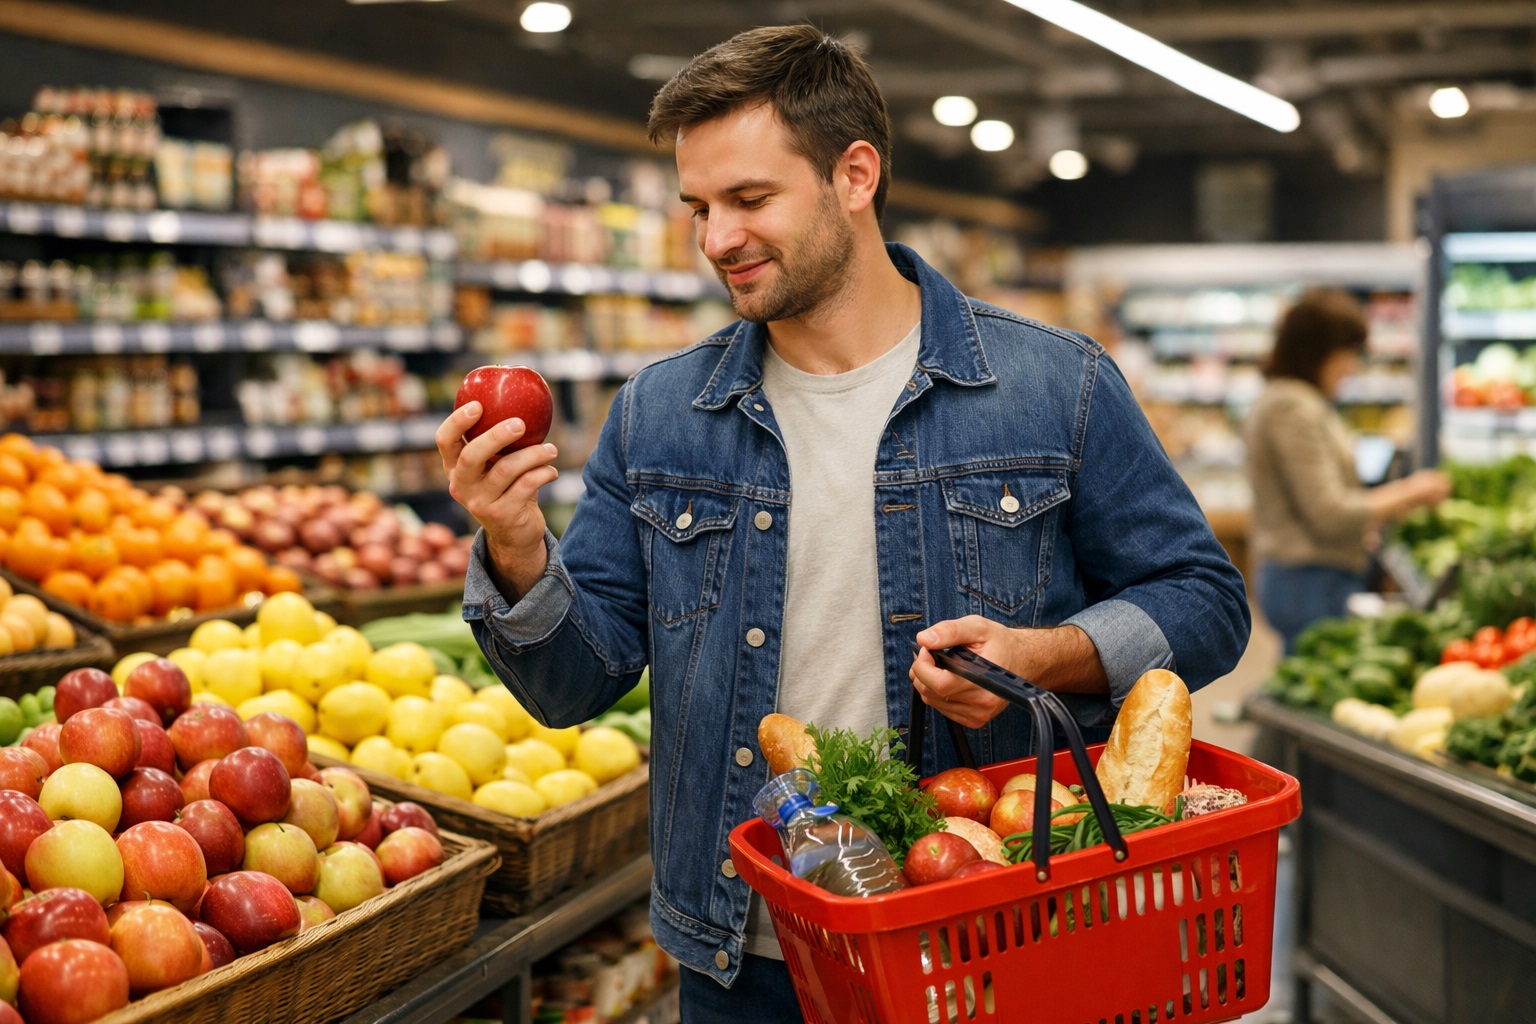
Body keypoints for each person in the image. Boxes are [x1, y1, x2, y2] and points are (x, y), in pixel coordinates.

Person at [437, 25, 1248, 1022]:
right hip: (750, 950)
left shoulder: (1054, 389)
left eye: (749, 199)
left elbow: (1206, 604)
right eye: (698, 207)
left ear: (854, 175)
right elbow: (575, 685)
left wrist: (1047, 655)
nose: (716, 239)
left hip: (990, 934)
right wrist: (515, 543)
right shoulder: (662, 415)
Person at [1245, 288, 1450, 653]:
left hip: (1303, 575)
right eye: (1349, 353)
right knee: (1312, 687)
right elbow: (1328, 511)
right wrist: (1411, 493)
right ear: (1319, 351)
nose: (1353, 366)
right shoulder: (1293, 407)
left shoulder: (1289, 400)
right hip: (1306, 578)